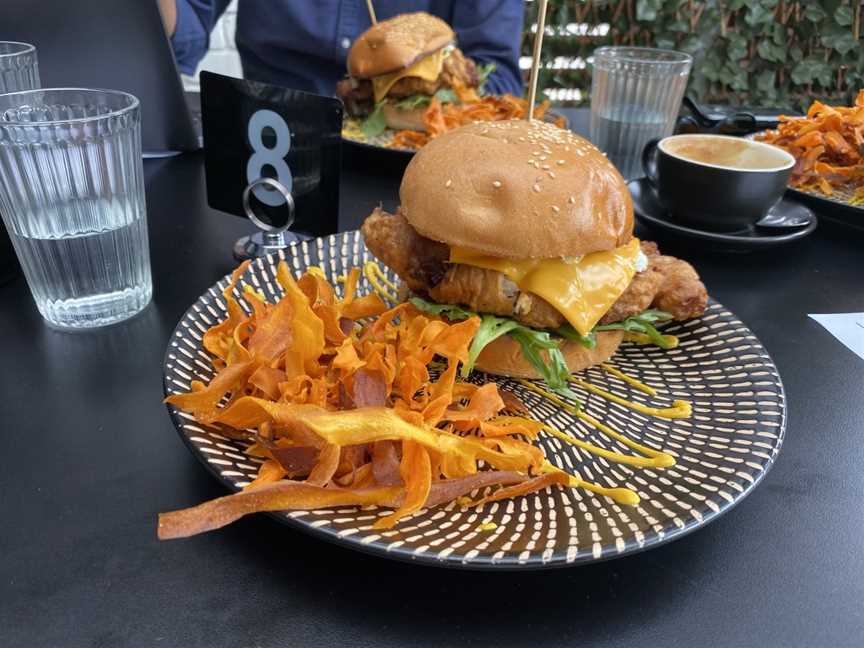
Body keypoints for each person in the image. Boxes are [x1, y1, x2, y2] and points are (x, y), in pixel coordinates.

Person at [157, 0, 524, 97]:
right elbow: (185, 28)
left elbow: (499, 75)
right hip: (270, 148)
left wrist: (430, 98)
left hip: (409, 170)